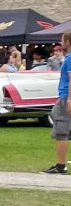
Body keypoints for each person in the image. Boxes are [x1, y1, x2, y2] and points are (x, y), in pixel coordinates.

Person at [44, 31, 71, 175]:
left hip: (65, 97)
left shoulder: (70, 59)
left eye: (63, 41)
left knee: (61, 131)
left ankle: (61, 166)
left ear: (67, 41)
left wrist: (69, 99)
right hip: (65, 97)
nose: (61, 43)